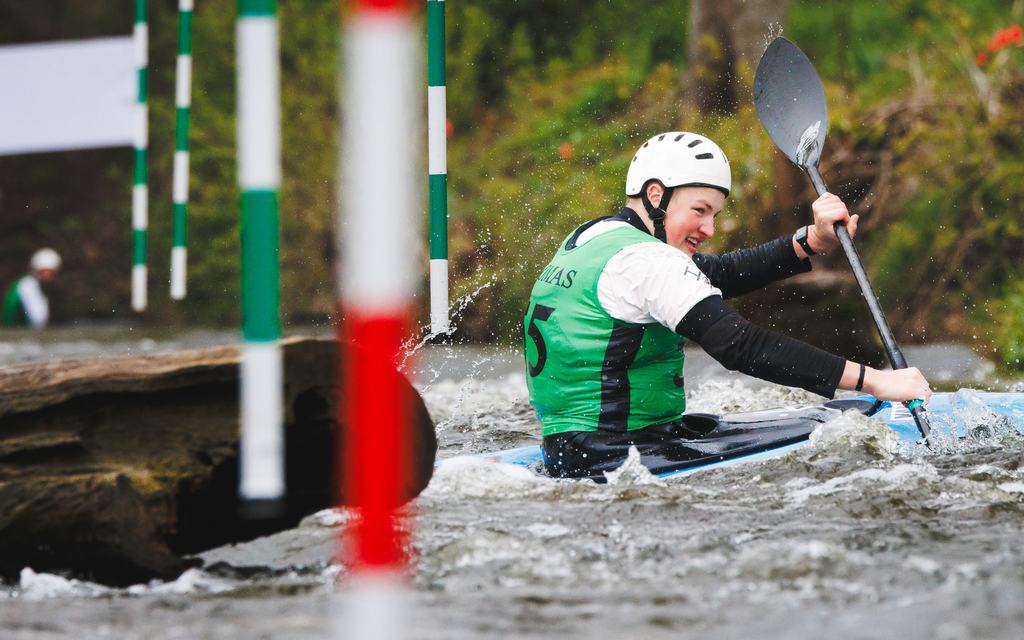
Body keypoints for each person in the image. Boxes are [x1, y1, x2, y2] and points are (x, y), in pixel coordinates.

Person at [523, 131, 931, 478]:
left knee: (823, 415)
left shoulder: (595, 238)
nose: (709, 228)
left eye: (714, 214)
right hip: (614, 456)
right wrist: (877, 381)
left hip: (569, 449)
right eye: (699, 211)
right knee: (837, 418)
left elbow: (716, 272)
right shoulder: (649, 260)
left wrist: (810, 242)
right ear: (655, 194)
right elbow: (741, 346)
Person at [2, 248, 61, 328]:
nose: (49, 276)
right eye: (47, 272)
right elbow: (38, 320)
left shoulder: (25, 283)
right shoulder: (27, 285)